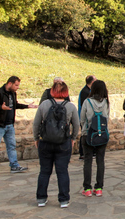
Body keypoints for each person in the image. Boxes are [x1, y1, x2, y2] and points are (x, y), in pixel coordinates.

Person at [33, 80, 80, 208]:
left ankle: (41, 198)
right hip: (63, 143)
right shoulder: (70, 106)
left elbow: (36, 123)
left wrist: (36, 138)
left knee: (44, 171)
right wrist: (73, 138)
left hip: (46, 142)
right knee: (62, 171)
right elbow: (76, 124)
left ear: (52, 91)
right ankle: (64, 199)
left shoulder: (44, 105)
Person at [0, 76, 37, 177]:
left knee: (11, 146)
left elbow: (15, 105)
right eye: (16, 85)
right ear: (10, 83)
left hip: (9, 125)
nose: (17, 87)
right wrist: (1, 107)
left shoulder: (13, 93)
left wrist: (27, 106)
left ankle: (14, 165)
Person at [80, 80, 109, 197]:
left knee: (88, 161)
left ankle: (87, 188)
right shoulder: (106, 102)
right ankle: (99, 188)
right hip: (102, 134)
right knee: (100, 160)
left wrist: (84, 129)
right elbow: (107, 117)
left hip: (88, 134)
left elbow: (82, 118)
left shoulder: (87, 102)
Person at [77, 75, 96, 160]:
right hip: (84, 118)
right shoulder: (85, 92)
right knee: (85, 134)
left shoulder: (88, 90)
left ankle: (90, 152)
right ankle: (83, 153)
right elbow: (85, 107)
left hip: (87, 117)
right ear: (92, 82)